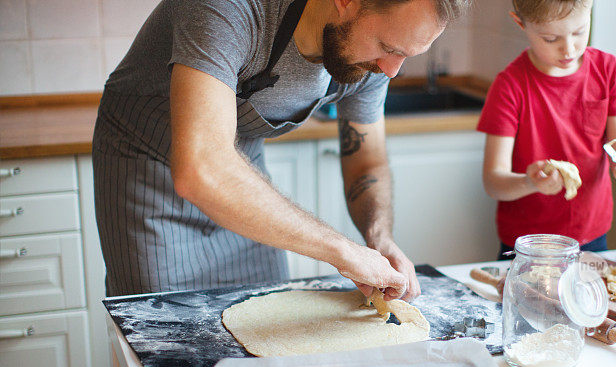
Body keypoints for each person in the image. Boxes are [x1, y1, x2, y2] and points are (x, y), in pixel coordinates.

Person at [93, 0, 470, 301]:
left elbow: (366, 161)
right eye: (389, 48)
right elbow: (201, 169)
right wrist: (342, 250)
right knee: (166, 339)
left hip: (241, 171)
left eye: (406, 55)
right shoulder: (227, 8)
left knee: (262, 322)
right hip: (146, 171)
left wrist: (379, 237)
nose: (391, 71)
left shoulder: (375, 63)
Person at [476, 0, 616, 262]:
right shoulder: (510, 86)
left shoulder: (607, 70)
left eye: (579, 32)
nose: (569, 48)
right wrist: (530, 182)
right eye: (550, 38)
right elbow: (493, 182)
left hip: (590, 237)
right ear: (520, 23)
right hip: (527, 245)